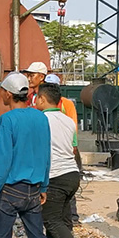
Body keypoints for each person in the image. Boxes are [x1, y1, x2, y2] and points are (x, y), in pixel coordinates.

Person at [0, 72, 56, 238]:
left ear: (9, 94)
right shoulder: (40, 118)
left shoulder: (7, 120)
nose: (1, 94)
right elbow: (45, 154)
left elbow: (3, 161)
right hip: (33, 191)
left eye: (2, 90)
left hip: (11, 192)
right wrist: (44, 187)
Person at [35, 83, 85, 238]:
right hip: (72, 174)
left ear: (41, 99)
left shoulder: (40, 120)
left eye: (36, 97)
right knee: (62, 220)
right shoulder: (68, 121)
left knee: (51, 220)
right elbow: (72, 148)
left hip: (55, 176)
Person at [45, 74, 82, 225]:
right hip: (54, 147)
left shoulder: (66, 104)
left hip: (66, 146)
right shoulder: (40, 103)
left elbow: (72, 124)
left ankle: (72, 216)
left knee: (64, 180)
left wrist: (73, 145)